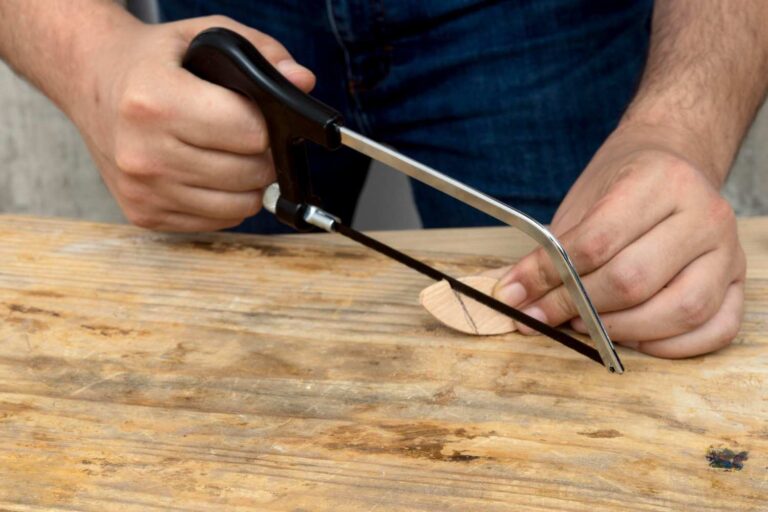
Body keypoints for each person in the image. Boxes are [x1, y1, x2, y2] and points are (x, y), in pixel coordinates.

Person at [0, 1, 765, 359]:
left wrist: (679, 127)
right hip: (236, 14)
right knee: (216, 375)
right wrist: (91, 57)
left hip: (544, 22)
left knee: (602, 315)